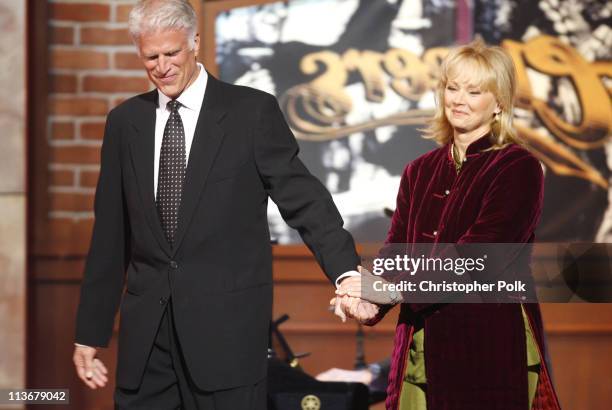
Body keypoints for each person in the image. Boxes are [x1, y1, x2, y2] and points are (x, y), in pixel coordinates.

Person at [71, 1, 377, 408]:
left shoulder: (250, 112)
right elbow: (111, 236)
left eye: (171, 53)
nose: (162, 66)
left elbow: (305, 201)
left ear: (195, 42)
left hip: (226, 342)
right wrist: (90, 333)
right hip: (147, 348)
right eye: (151, 57)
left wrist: (345, 274)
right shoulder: (125, 123)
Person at [335, 40, 562, 409]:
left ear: (499, 102)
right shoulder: (419, 170)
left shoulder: (518, 167)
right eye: (452, 88)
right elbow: (396, 253)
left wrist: (390, 292)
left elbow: (479, 258)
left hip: (487, 342)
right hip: (420, 340)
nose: (459, 99)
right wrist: (368, 299)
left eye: (474, 91)